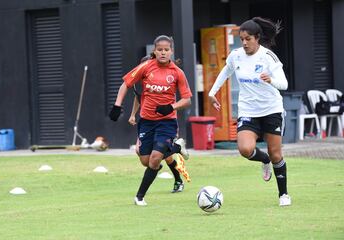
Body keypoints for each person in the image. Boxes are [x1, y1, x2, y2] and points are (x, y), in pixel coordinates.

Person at [208, 17, 291, 207]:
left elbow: (284, 84)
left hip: (271, 110)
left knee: (276, 154)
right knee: (245, 149)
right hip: (248, 110)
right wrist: (213, 93)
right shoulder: (236, 55)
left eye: (248, 39)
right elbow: (225, 72)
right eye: (241, 39)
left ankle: (283, 194)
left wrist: (271, 80)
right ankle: (264, 160)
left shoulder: (268, 57)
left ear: (257, 38)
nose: (244, 43)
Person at [109, 35, 192, 206]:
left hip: (167, 122)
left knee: (155, 159)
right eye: (159, 50)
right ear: (154, 51)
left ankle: (139, 196)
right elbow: (126, 83)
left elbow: (187, 99)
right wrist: (117, 106)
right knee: (145, 160)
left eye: (166, 50)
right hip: (146, 122)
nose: (163, 52)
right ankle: (177, 147)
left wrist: (172, 107)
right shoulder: (146, 67)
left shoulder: (177, 73)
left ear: (171, 51)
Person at [128, 83, 191, 193]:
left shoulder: (163, 78)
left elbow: (183, 100)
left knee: (167, 157)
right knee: (142, 156)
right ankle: (168, 154)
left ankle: (178, 181)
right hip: (147, 124)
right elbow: (138, 97)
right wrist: (133, 114)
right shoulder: (139, 78)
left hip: (165, 123)